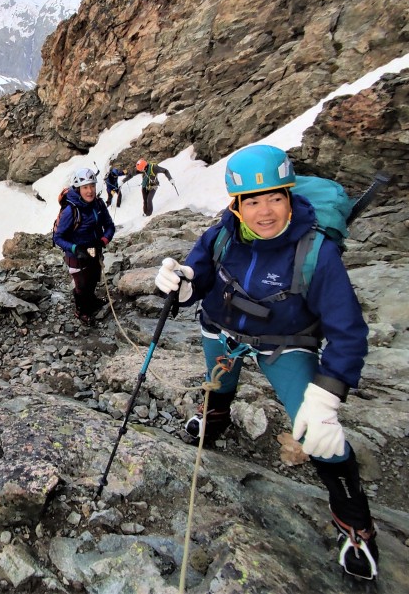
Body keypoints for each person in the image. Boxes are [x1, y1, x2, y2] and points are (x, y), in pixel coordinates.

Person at [154, 144, 378, 581]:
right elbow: (198, 276)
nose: (266, 211)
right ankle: (215, 418)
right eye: (253, 201)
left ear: (290, 197)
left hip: (284, 344)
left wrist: (328, 394)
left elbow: (348, 331)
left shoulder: (316, 251)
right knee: (218, 383)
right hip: (221, 330)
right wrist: (181, 285)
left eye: (275, 197)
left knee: (318, 433)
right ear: (236, 205)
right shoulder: (222, 234)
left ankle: (356, 526)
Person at [52, 167, 116, 325]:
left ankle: (91, 301)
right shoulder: (71, 210)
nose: (90, 191)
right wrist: (75, 248)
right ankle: (81, 311)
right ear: (78, 189)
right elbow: (58, 237)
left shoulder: (99, 204)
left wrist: (103, 241)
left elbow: (109, 226)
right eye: (85, 187)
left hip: (94, 249)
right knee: (81, 285)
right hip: (76, 255)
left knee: (93, 277)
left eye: (92, 186)